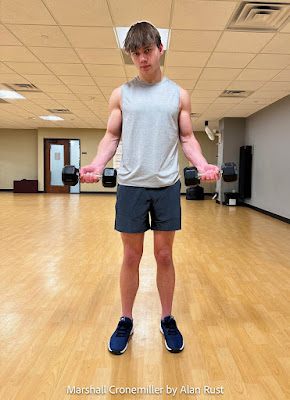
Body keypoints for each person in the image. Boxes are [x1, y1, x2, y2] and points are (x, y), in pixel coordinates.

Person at [79, 21, 220, 355]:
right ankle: (126, 320)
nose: (142, 58)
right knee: (131, 255)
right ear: (131, 55)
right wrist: (98, 164)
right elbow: (111, 136)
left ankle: (167, 318)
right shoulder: (121, 94)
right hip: (130, 186)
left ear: (160, 49)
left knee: (165, 255)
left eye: (147, 51)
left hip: (166, 185)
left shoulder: (178, 95)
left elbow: (187, 137)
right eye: (135, 53)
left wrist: (201, 165)